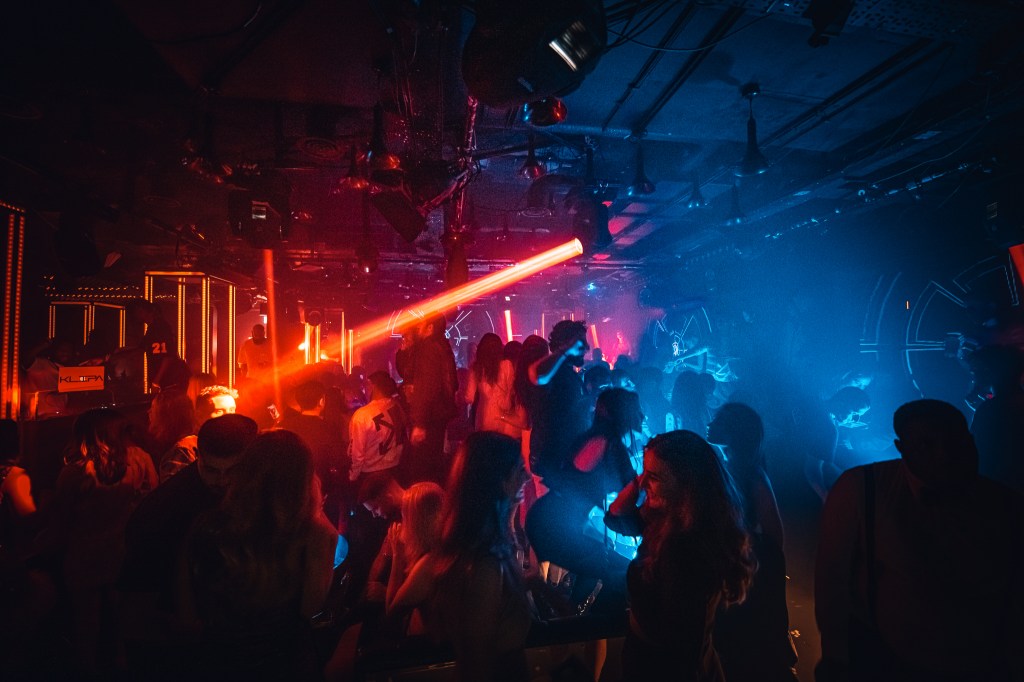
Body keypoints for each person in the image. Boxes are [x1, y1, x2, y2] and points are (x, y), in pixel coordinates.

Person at [815, 399, 1023, 682]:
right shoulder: (861, 489)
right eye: (927, 445)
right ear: (901, 448)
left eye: (953, 442)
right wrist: (836, 658)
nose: (944, 455)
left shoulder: (1006, 505)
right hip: (888, 664)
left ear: (970, 441)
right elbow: (832, 579)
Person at [182, 430, 337, 678]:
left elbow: (187, 612)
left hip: (218, 663)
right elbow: (310, 609)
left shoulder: (207, 525)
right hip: (283, 665)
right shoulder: (315, 535)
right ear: (303, 478)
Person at [606, 430, 755, 681]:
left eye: (654, 477)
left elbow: (684, 647)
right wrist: (640, 481)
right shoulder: (669, 520)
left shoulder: (685, 547)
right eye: (644, 473)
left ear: (686, 483)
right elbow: (615, 518)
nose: (643, 483)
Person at [119, 414, 259, 679]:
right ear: (199, 455)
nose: (221, 480)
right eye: (211, 470)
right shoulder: (167, 508)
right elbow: (137, 596)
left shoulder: (250, 493)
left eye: (231, 470)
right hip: (174, 643)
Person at [389, 432, 534, 681]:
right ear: (498, 479)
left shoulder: (487, 549)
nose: (528, 476)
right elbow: (476, 664)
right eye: (520, 469)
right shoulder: (483, 563)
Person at [35, 408, 158, 674]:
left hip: (84, 555)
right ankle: (124, 670)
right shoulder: (141, 461)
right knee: (120, 622)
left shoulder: (75, 473)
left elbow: (61, 521)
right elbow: (152, 505)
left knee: (85, 624)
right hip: (122, 552)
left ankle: (87, 672)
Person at [526, 387, 643, 614]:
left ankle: (572, 626)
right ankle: (569, 621)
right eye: (637, 410)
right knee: (618, 569)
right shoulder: (607, 442)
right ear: (623, 412)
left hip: (549, 519)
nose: (642, 416)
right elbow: (630, 488)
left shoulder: (596, 437)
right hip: (551, 523)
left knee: (598, 575)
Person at [706, 403, 797, 681]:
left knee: (750, 655)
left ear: (734, 432)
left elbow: (774, 538)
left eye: (719, 420)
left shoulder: (753, 476)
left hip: (746, 580)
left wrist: (749, 567)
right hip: (734, 575)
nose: (711, 423)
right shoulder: (730, 469)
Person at [527, 320, 590, 487]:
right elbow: (538, 375)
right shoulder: (553, 372)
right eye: (580, 343)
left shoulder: (567, 373)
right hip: (551, 464)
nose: (587, 348)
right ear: (564, 344)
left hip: (561, 462)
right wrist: (564, 351)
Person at [282, 379, 348, 523]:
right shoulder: (328, 429)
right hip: (319, 494)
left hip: (286, 493)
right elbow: (340, 461)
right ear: (321, 401)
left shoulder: (283, 426)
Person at [404, 313, 458, 485]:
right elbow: (451, 383)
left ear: (430, 328)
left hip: (429, 418)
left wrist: (420, 423)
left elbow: (428, 386)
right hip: (439, 416)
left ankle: (423, 506)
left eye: (421, 325)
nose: (417, 328)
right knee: (434, 466)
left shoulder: (427, 348)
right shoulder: (443, 346)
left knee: (421, 472)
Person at [349, 371, 409, 485]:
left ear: (373, 386)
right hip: (396, 469)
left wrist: (353, 477)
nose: (364, 389)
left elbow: (357, 453)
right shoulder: (397, 407)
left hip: (371, 474)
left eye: (366, 385)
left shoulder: (363, 415)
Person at [464, 333, 518, 438]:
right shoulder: (507, 365)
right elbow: (513, 390)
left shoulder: (476, 368)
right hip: (504, 416)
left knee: (486, 447)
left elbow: (469, 398)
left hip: (484, 416)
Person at [147, 390, 197, 483]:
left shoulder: (180, 451)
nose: (149, 411)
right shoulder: (193, 441)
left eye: (153, 407)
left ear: (166, 414)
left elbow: (172, 493)